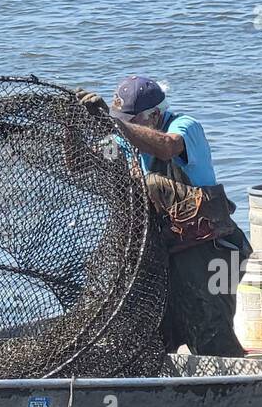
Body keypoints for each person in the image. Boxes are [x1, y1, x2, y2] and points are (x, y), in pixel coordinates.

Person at [76, 76, 251, 356]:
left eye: (131, 120)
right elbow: (80, 165)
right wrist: (73, 126)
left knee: (211, 333)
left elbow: (168, 146)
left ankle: (233, 394)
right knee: (149, 334)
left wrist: (120, 126)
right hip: (161, 252)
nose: (121, 127)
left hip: (210, 252)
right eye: (118, 119)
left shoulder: (184, 127)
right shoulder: (120, 143)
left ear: (155, 114)